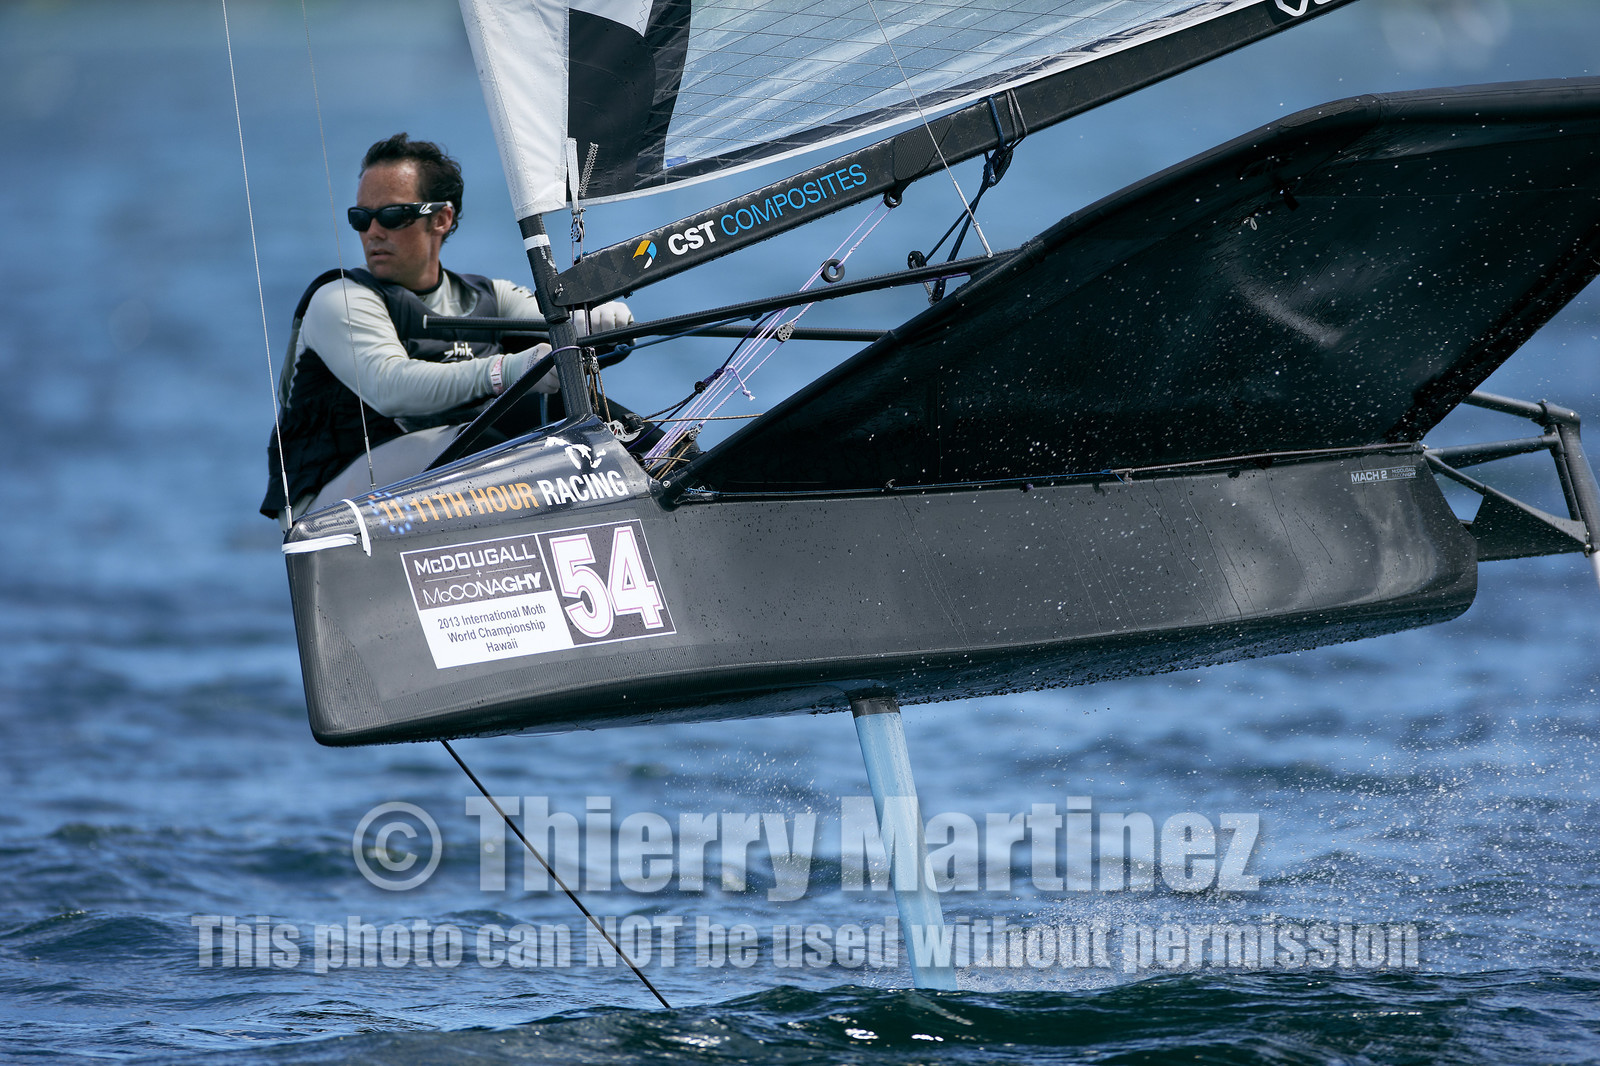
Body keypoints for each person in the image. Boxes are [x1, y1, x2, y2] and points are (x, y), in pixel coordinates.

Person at [260, 133, 632, 523]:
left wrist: (599, 320)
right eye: (361, 218)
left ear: (441, 219)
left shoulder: (490, 296)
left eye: (391, 215)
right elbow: (391, 387)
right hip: (329, 508)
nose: (373, 231)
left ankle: (681, 474)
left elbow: (562, 320)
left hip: (439, 476)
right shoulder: (339, 300)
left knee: (583, 414)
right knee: (502, 428)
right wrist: (509, 369)